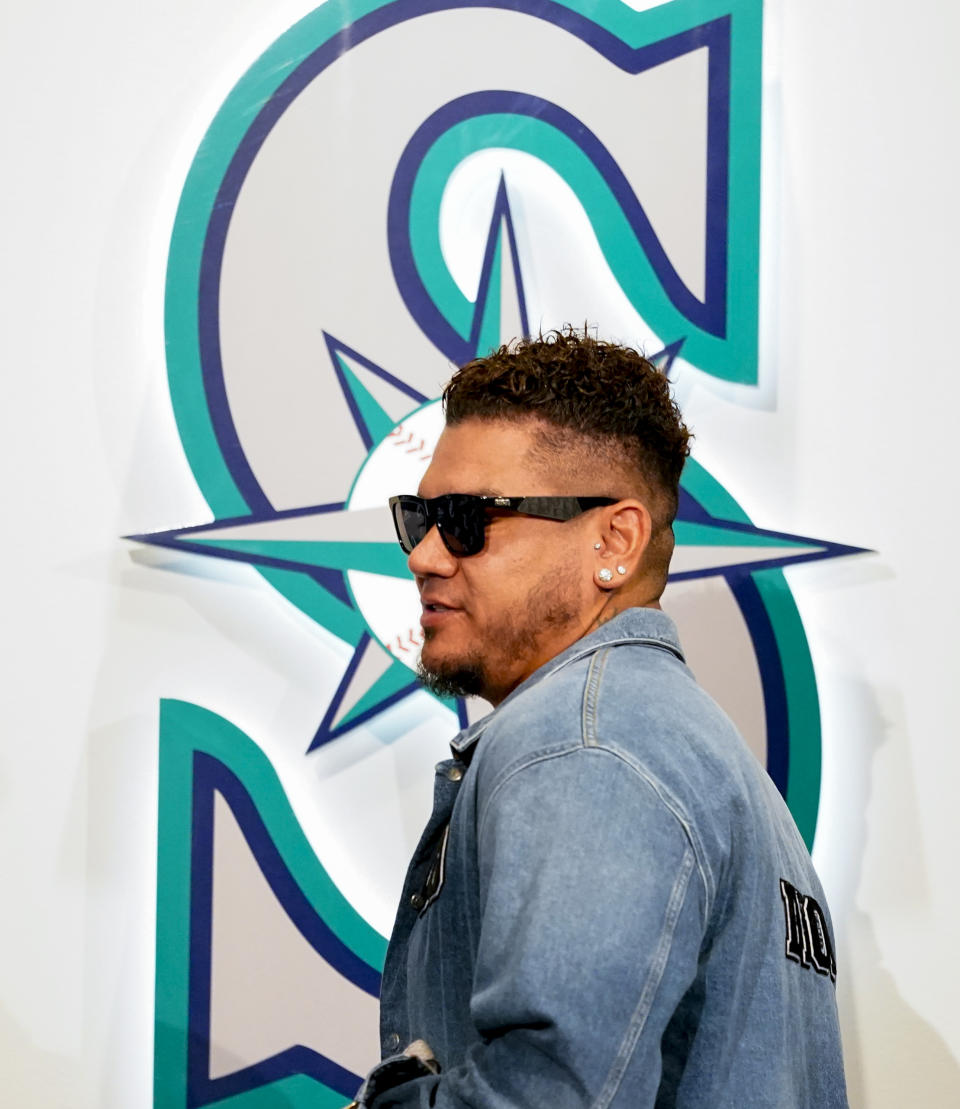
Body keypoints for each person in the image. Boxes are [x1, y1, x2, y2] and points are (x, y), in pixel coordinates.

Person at [355, 329, 848, 1107]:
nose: (424, 555)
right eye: (419, 516)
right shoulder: (684, 747)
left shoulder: (585, 745)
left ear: (614, 541)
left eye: (466, 518)